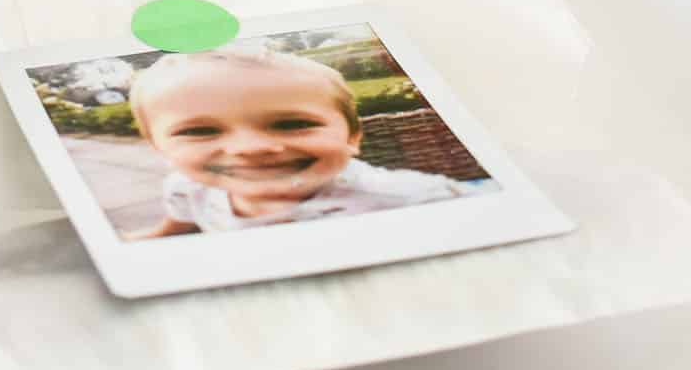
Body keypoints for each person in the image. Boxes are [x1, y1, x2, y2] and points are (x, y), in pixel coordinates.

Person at [123, 42, 477, 236]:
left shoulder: (412, 199)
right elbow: (177, 228)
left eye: (292, 123)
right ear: (159, 147)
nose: (251, 148)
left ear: (353, 136)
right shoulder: (188, 188)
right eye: (199, 131)